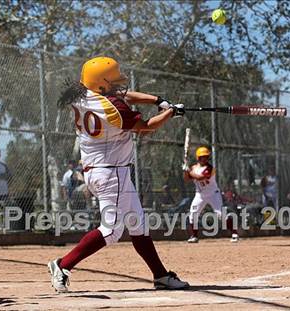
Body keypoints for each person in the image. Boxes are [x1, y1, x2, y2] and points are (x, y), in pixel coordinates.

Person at [48, 56, 188, 293]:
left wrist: (159, 100)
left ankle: (161, 275)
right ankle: (62, 265)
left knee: (137, 225)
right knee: (111, 231)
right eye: (112, 83)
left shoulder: (83, 95)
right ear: (101, 84)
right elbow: (146, 127)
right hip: (111, 174)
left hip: (100, 171)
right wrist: (171, 113)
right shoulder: (113, 109)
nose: (118, 86)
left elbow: (124, 95)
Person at [184, 146, 239, 243]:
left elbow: (201, 177)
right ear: (198, 158)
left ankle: (234, 233)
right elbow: (187, 179)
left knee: (220, 214)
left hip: (213, 194)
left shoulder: (210, 168)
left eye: (206, 157)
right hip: (200, 195)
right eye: (202, 157)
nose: (204, 159)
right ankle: (194, 236)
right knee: (193, 215)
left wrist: (188, 171)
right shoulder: (193, 168)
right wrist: (185, 170)